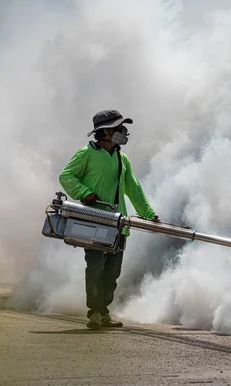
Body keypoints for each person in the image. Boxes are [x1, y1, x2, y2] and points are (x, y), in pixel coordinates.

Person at [58, 109, 159, 330]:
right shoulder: (86, 154)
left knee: (112, 272)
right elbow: (66, 176)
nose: (123, 131)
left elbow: (134, 189)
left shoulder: (122, 159)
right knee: (95, 268)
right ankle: (94, 312)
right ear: (103, 132)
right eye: (117, 128)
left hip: (118, 224)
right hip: (94, 222)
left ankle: (104, 312)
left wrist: (149, 214)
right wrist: (84, 192)